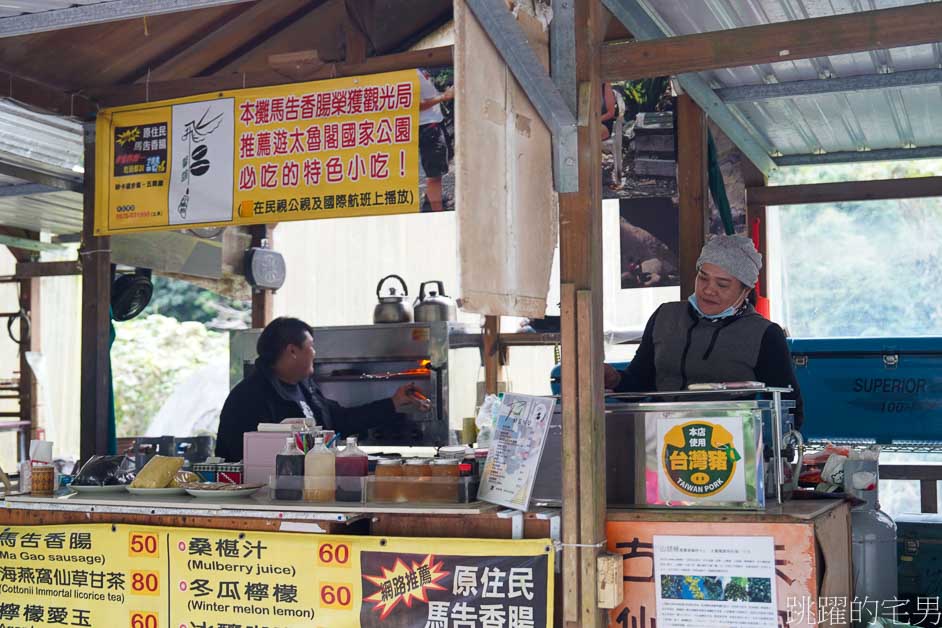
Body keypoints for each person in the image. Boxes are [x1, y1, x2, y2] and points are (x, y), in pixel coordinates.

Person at [604, 234, 803, 426]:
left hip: (729, 444)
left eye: (722, 284)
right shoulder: (665, 317)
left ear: (746, 291)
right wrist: (615, 379)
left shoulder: (764, 334)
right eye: (703, 278)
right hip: (660, 436)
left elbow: (788, 409)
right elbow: (640, 381)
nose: (708, 290)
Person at [215, 317, 430, 461]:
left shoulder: (304, 389)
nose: (314, 353)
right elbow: (246, 459)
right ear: (292, 351)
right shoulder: (250, 397)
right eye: (311, 346)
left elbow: (340, 420)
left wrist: (393, 403)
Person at [417, 69, 454, 212]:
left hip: (434, 122)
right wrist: (444, 97)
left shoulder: (418, 70)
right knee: (434, 175)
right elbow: (416, 104)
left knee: (439, 166)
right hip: (427, 127)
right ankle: (436, 212)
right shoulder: (413, 73)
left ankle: (431, 197)